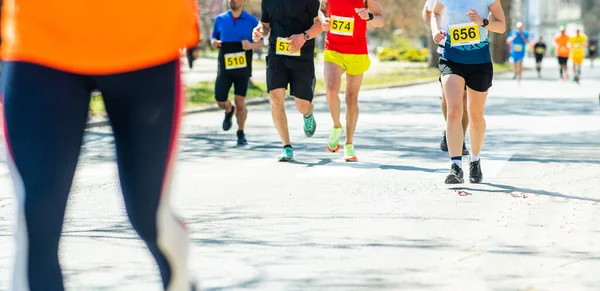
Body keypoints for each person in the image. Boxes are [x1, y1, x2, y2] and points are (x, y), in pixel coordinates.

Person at [1, 0, 200, 290]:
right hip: (37, 41)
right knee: (37, 217)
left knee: (148, 215)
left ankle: (180, 277)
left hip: (147, 39)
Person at [431, 0, 506, 184]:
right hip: (451, 59)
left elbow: (502, 26)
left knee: (475, 116)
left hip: (479, 62)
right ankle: (455, 166)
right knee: (454, 111)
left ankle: (475, 160)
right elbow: (435, 13)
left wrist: (483, 22)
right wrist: (435, 31)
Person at [253, 0, 323, 162]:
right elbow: (265, 25)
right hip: (276, 55)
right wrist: (259, 30)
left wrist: (304, 37)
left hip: (302, 56)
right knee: (276, 99)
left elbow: (319, 25)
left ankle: (308, 112)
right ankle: (286, 147)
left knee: (302, 105)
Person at [320, 0, 384, 162]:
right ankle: (336, 126)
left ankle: (349, 144)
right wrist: (324, 20)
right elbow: (320, 11)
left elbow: (380, 21)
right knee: (332, 90)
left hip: (357, 51)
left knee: (351, 97)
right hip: (333, 48)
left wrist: (369, 16)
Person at [211, 0, 264, 145]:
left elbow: (263, 41)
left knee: (240, 102)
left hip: (243, 68)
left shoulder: (252, 21)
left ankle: (241, 132)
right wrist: (214, 42)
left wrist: (252, 45)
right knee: (220, 99)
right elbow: (213, 38)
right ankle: (228, 110)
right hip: (225, 67)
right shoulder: (220, 19)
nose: (232, 0)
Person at [424, 0, 470, 156]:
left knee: (465, 99)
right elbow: (428, 12)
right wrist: (435, 31)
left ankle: (460, 138)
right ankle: (450, 128)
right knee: (449, 97)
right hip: (446, 47)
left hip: (471, 48)